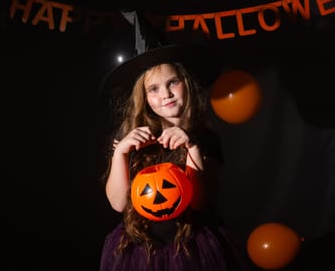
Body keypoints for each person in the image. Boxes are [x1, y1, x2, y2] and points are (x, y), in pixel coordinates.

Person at [98, 23, 245, 270]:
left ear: (186, 83)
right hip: (141, 249)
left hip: (189, 247)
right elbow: (119, 203)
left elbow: (199, 202)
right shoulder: (131, 138)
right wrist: (121, 152)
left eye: (172, 82)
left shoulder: (204, 139)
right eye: (153, 89)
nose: (165, 94)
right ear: (144, 97)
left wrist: (192, 147)